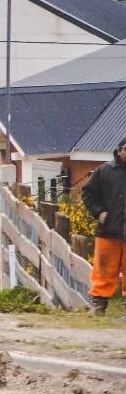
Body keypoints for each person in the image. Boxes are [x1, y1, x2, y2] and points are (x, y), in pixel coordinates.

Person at [81, 135, 126, 315]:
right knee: (103, 270)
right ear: (121, 150)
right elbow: (87, 193)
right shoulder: (104, 171)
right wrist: (99, 213)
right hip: (108, 230)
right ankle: (99, 306)